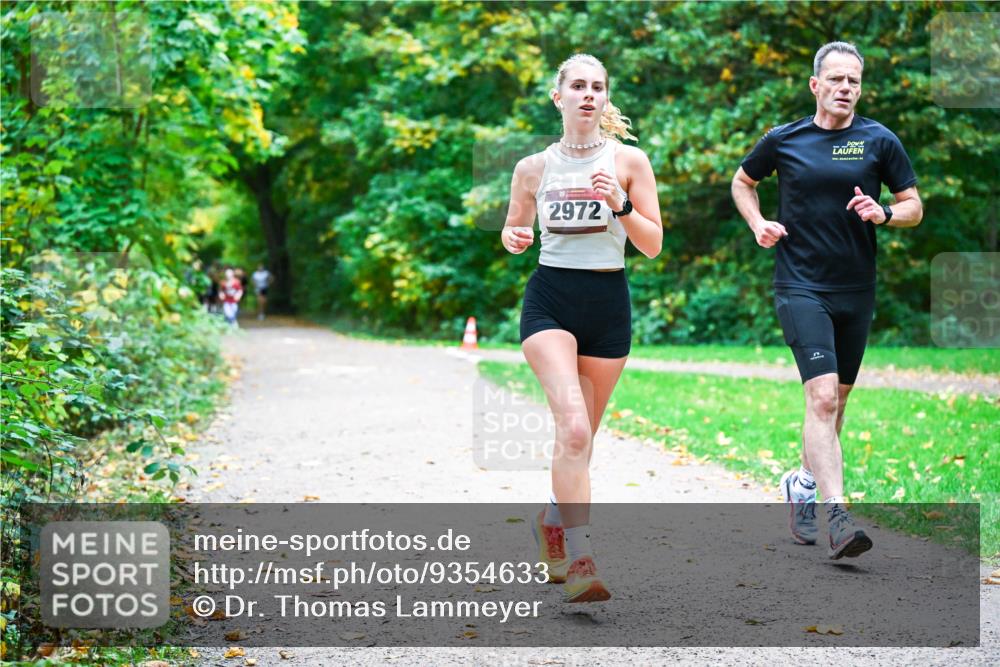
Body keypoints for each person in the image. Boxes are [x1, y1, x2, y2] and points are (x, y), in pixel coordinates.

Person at [730, 42, 922, 559]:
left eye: (853, 81)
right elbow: (742, 182)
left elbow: (914, 207)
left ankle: (802, 483)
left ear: (860, 87)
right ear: (815, 85)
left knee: (835, 408)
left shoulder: (879, 141)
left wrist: (883, 213)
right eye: (835, 79)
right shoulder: (784, 139)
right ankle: (838, 516)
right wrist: (758, 224)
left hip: (856, 289)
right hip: (800, 285)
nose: (844, 88)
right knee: (822, 398)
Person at [501, 54, 662, 601]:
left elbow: (653, 244)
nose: (588, 94)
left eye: (597, 87)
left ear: (604, 98)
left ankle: (551, 518)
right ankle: (582, 559)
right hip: (550, 302)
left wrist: (618, 203)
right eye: (578, 86)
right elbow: (514, 227)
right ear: (559, 96)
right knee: (572, 430)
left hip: (608, 304)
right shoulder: (532, 168)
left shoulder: (630, 162)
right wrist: (513, 237)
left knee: (581, 439)